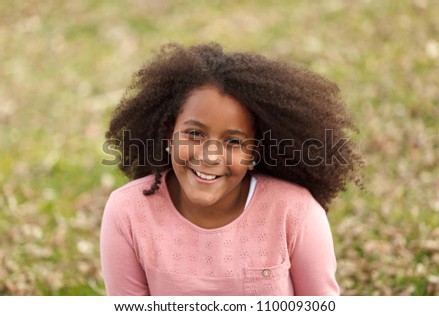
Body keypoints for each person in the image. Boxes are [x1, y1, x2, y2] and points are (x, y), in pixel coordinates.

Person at [100, 42, 362, 296]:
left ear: (254, 153)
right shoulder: (127, 212)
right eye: (194, 133)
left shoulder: (295, 213)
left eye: (233, 142)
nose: (210, 156)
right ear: (169, 135)